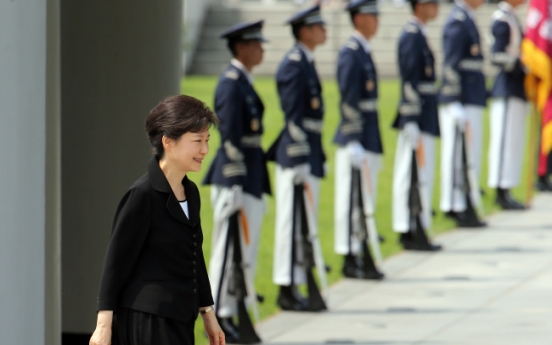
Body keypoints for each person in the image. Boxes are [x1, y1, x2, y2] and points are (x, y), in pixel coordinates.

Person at [89, 95, 225, 345]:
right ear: (168, 142)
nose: (204, 150)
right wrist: (103, 326)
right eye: (197, 141)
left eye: (206, 141)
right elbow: (115, 263)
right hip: (148, 319)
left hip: (180, 318)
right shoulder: (142, 195)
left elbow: (194, 255)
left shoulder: (191, 193)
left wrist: (208, 313)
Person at [202, 20, 271, 344]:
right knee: (228, 252)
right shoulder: (231, 82)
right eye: (256, 44)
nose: (262, 49)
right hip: (236, 178)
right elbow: (228, 136)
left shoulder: (242, 80)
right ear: (241, 47)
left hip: (250, 175)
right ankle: (220, 316)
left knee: (243, 251)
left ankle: (232, 309)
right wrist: (235, 182)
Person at [267, 4, 328, 312]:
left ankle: (297, 280)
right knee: (291, 223)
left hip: (308, 153)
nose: (325, 30)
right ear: (305, 31)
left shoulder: (306, 61)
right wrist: (303, 156)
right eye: (319, 26)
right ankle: (285, 286)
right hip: (296, 155)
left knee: (304, 222)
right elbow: (293, 117)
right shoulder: (294, 64)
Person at [333, 0, 385, 279]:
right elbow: (348, 98)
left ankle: (361, 249)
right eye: (372, 15)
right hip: (357, 138)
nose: (377, 20)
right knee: (351, 200)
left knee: (365, 198)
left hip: (368, 135)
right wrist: (352, 137)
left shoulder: (363, 51)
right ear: (360, 18)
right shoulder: (351, 53)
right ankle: (350, 256)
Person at [392, 0, 442, 251]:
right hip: (417, 116)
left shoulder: (419, 34)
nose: (436, 7)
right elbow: (409, 80)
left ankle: (417, 224)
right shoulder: (412, 36)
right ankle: (408, 227)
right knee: (411, 174)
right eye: (431, 2)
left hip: (425, 113)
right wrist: (410, 118)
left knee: (422, 174)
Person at [438, 0, 487, 227]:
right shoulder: (458, 21)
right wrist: (452, 99)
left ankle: (465, 199)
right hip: (462, 99)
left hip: (471, 96)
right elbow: (451, 63)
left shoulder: (467, 19)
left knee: (470, 153)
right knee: (457, 153)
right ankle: (455, 204)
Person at [487, 0, 528, 209]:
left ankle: (507, 186)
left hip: (516, 87)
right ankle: (500, 189)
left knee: (513, 141)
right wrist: (521, 64)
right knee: (503, 142)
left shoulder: (511, 17)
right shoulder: (502, 19)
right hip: (505, 86)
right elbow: (496, 55)